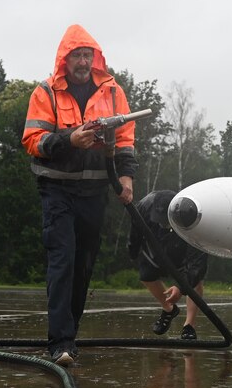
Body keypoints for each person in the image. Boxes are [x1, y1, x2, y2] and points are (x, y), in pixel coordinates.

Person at [21, 24, 138, 365]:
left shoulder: (113, 92)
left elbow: (127, 138)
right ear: (65, 59)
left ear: (95, 58)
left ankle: (69, 337)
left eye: (88, 55)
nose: (83, 61)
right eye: (77, 56)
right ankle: (60, 342)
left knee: (84, 265)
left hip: (94, 192)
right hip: (56, 190)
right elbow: (33, 141)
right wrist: (69, 140)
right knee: (63, 261)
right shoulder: (46, 92)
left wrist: (126, 178)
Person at [129, 189, 209, 340]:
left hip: (183, 246)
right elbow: (135, 230)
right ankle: (169, 309)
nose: (162, 223)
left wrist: (180, 287)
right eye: (159, 219)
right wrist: (132, 249)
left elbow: (197, 265)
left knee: (196, 281)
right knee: (146, 275)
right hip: (157, 244)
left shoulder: (193, 217)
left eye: (165, 220)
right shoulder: (143, 207)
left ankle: (189, 326)